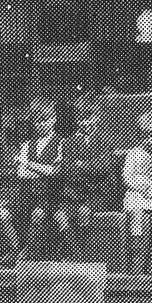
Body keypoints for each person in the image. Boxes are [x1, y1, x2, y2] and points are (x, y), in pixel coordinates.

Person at [54, 93, 115, 260]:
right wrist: (87, 169)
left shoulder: (104, 141)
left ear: (98, 118)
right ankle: (77, 257)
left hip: (97, 194)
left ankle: (76, 257)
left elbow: (103, 168)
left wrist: (81, 166)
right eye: (81, 118)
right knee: (60, 215)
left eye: (90, 117)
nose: (85, 123)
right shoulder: (68, 142)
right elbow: (66, 171)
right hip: (72, 193)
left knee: (83, 212)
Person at [12, 98, 64, 257]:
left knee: (38, 214)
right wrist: (40, 169)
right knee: (2, 214)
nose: (41, 124)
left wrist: (28, 164)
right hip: (27, 194)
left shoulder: (61, 142)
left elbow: (55, 172)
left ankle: (31, 253)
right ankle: (17, 253)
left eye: (45, 119)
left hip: (51, 195)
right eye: (37, 121)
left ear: (54, 118)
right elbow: (21, 173)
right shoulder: (27, 144)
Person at [121, 128, 152, 274]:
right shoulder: (133, 153)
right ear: (140, 136)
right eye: (146, 136)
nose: (149, 140)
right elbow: (126, 177)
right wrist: (140, 187)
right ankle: (137, 256)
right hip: (137, 192)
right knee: (137, 214)